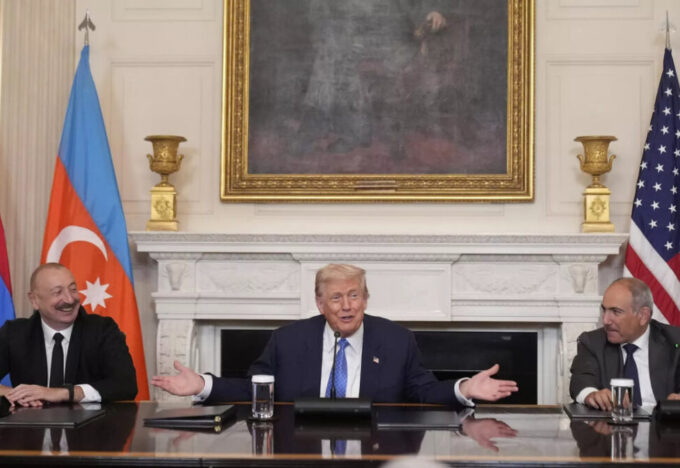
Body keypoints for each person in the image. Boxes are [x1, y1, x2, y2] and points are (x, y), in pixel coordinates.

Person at [153, 264, 518, 407]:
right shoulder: (288, 340)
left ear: (366, 298)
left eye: (354, 295)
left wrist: (464, 388)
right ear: (320, 303)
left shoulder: (396, 340)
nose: (347, 306)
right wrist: (203, 384)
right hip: (302, 452)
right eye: (336, 298)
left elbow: (423, 390)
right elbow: (256, 388)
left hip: (375, 451)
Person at [0, 263, 137, 407]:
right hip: (30, 421)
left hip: (89, 421)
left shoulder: (102, 330)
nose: (70, 299)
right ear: (35, 300)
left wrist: (64, 393)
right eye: (57, 292)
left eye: (73, 289)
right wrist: (17, 394)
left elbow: (126, 385)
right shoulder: (15, 333)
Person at [569, 277, 680, 410]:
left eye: (616, 312)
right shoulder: (593, 342)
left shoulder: (675, 340)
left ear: (643, 315)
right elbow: (581, 379)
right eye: (604, 310)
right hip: (614, 421)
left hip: (663, 421)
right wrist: (591, 394)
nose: (606, 320)